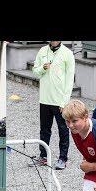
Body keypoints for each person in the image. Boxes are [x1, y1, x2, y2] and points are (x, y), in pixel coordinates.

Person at [31, 41, 75, 170]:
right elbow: (35, 72)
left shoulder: (67, 53)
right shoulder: (42, 51)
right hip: (44, 99)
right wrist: (42, 68)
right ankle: (43, 156)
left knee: (63, 130)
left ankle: (62, 158)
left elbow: (69, 79)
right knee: (44, 130)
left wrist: (64, 102)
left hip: (60, 100)